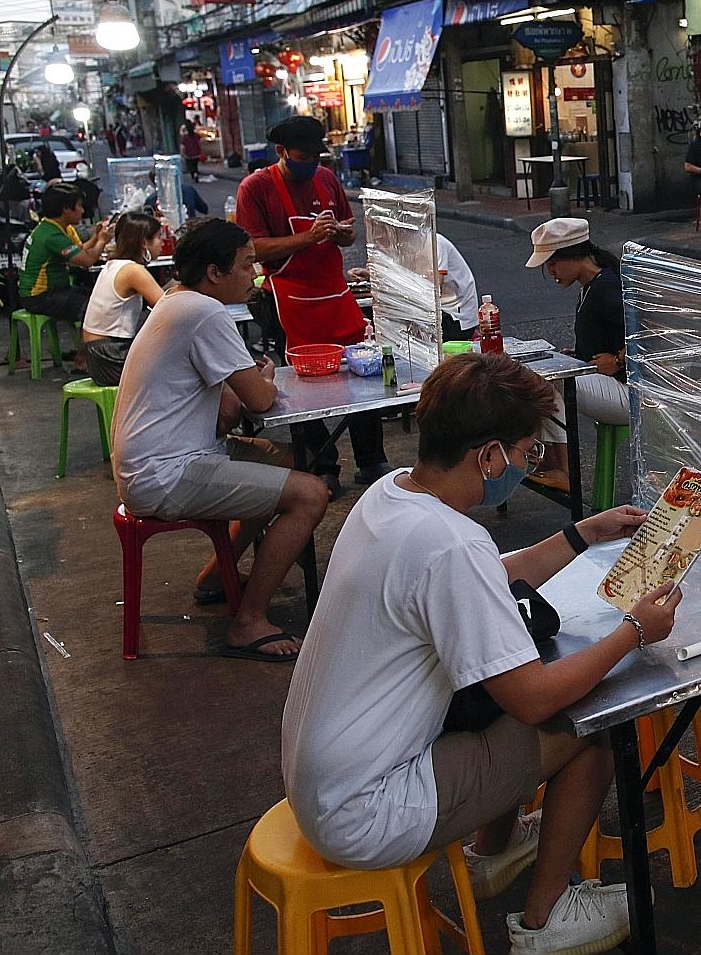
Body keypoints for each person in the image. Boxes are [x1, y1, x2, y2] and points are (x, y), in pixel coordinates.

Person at [282, 353, 679, 954]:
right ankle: (546, 920)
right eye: (525, 452)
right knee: (588, 730)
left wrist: (581, 534)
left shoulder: (392, 495)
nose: (526, 465)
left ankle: (493, 856)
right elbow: (533, 699)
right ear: (488, 455)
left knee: (489, 701)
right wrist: (634, 632)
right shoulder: (451, 542)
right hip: (369, 810)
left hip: (323, 780)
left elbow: (484, 579)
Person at [112, 217, 329, 660]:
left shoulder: (177, 301)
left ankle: (216, 577)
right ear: (215, 272)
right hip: (166, 473)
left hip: (156, 461)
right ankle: (248, 622)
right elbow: (259, 400)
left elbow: (228, 409)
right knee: (311, 494)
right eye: (247, 265)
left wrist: (250, 386)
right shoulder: (203, 311)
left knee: (284, 459)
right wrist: (263, 377)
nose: (255, 275)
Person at [237, 115, 387, 498]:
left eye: (315, 158)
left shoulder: (326, 178)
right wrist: (308, 237)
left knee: (362, 373)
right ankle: (323, 466)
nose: (310, 165)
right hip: (291, 297)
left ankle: (372, 461)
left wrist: (340, 233)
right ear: (281, 152)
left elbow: (350, 228)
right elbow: (253, 248)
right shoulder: (256, 187)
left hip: (335, 293)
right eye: (301, 158)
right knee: (305, 388)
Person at [525, 218, 629, 493]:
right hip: (609, 385)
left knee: (546, 381)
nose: (551, 271)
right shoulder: (590, 286)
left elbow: (651, 334)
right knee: (541, 369)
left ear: (572, 255)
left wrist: (619, 360)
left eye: (553, 263)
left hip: (629, 394)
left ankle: (563, 470)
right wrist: (579, 354)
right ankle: (550, 461)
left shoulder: (606, 287)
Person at [18, 182, 112, 368]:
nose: (82, 210)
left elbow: (78, 251)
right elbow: (86, 260)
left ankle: (84, 352)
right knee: (94, 309)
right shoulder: (51, 235)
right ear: (66, 209)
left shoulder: (57, 227)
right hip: (40, 296)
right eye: (79, 206)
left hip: (56, 290)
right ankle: (83, 361)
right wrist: (102, 240)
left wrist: (96, 236)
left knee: (101, 299)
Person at [81, 212, 164, 386]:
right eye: (158, 237)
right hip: (111, 355)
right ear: (143, 243)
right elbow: (167, 306)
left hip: (99, 354)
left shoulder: (114, 265)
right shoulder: (133, 271)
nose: (162, 243)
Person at [435, 232, 479, 342]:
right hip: (441, 308)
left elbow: (435, 290)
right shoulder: (403, 246)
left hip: (455, 316)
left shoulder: (436, 244)